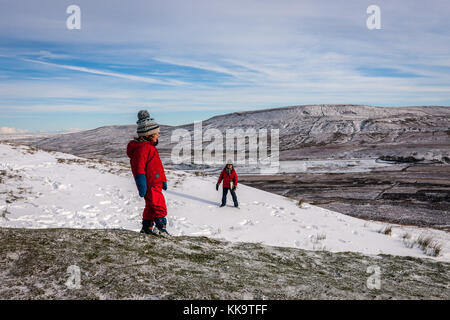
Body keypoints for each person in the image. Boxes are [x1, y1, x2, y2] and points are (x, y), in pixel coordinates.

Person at [126, 110, 169, 235]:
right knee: (158, 204)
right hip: (150, 184)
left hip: (156, 182)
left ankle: (147, 227)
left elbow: (157, 166)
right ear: (149, 134)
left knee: (151, 206)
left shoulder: (149, 147)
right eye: (156, 133)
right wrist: (141, 184)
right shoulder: (143, 149)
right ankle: (160, 227)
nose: (158, 135)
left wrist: (163, 180)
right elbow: (138, 168)